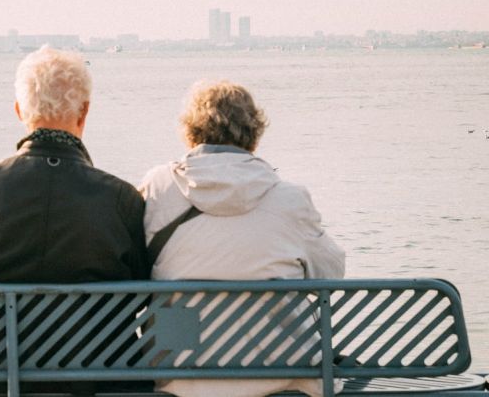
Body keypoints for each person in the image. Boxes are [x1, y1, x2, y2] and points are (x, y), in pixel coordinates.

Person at [0, 45, 151, 394]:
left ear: (20, 110)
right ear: (84, 112)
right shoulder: (121, 199)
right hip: (101, 379)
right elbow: (140, 289)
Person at [139, 80, 345, 397]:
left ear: (190, 132)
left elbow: (137, 267)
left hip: (181, 376)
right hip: (283, 373)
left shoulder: (159, 186)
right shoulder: (290, 198)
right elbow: (330, 274)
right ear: (254, 135)